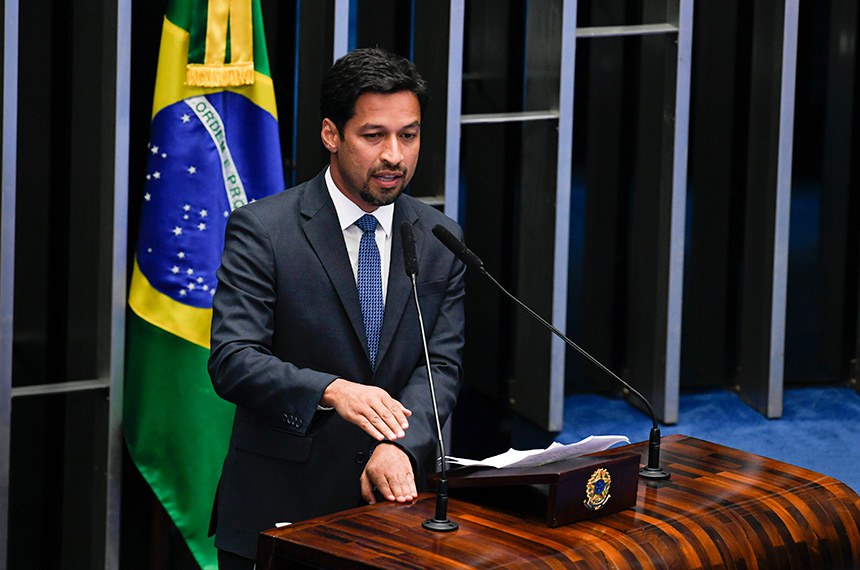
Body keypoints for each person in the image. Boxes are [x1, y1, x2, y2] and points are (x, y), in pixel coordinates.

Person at [208, 47, 466, 568]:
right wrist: (329, 390)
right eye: (374, 136)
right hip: (282, 513)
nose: (394, 154)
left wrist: (402, 444)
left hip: (394, 513)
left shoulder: (441, 238)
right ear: (331, 134)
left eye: (408, 135)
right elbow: (233, 359)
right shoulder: (265, 231)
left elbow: (440, 367)